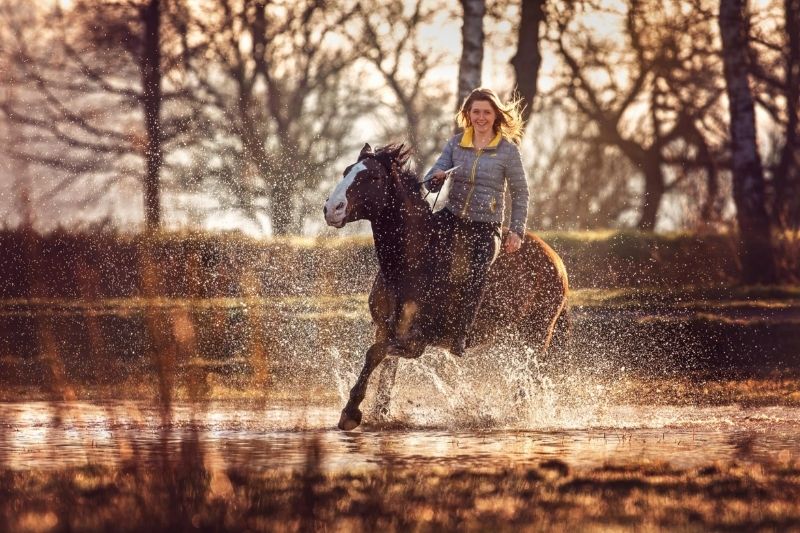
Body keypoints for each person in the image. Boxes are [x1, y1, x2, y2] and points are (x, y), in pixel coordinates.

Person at [390, 87, 530, 357]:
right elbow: (433, 175)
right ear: (467, 114)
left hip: (486, 225)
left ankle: (460, 334)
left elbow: (521, 192)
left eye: (486, 112)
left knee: (476, 274)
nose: (481, 117)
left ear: (495, 115)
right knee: (422, 256)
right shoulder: (456, 143)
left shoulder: (508, 151)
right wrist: (436, 177)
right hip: (451, 216)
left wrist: (516, 230)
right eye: (475, 111)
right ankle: (411, 322)